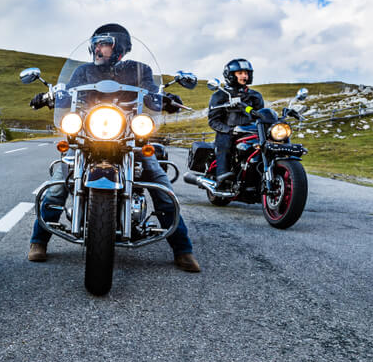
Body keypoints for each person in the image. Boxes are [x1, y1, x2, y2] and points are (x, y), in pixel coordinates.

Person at [26, 23, 201, 273]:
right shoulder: (83, 71)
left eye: (104, 43)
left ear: (119, 47)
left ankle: (183, 248)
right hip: (88, 135)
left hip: (129, 136)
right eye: (96, 43)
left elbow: (152, 92)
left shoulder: (139, 70)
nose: (98, 48)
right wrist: (50, 96)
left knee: (160, 184)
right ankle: (38, 241)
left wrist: (166, 99)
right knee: (58, 183)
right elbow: (66, 93)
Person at [208, 58, 265, 188]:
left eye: (246, 73)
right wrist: (229, 129)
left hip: (251, 131)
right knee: (225, 144)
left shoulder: (255, 96)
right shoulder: (220, 95)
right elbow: (213, 120)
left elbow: (261, 115)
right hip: (228, 131)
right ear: (230, 75)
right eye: (240, 73)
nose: (244, 76)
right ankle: (222, 178)